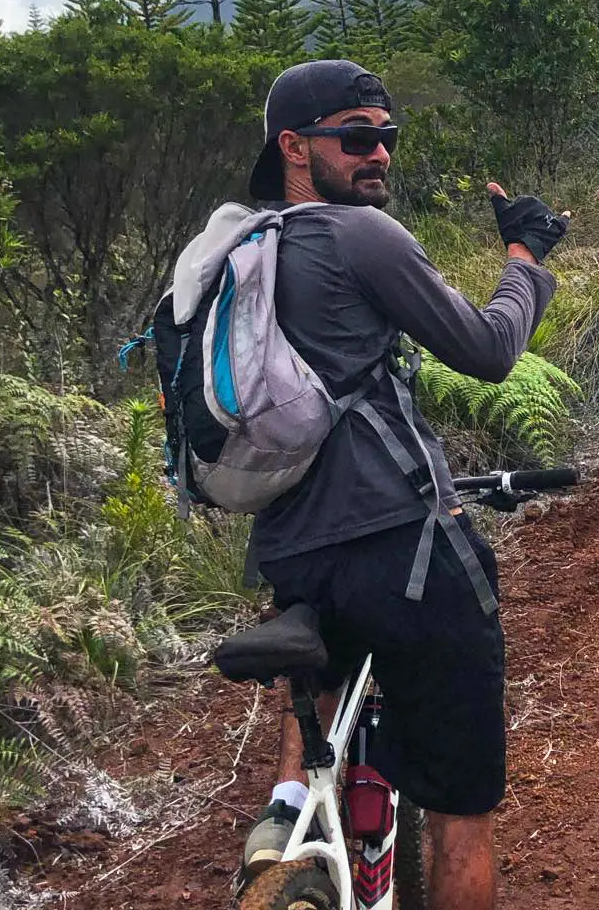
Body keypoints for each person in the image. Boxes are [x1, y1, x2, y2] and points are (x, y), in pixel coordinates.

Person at [237, 59, 569, 909]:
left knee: (318, 698)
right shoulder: (358, 236)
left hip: (290, 549)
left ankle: (288, 823)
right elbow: (492, 351)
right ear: (294, 147)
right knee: (464, 808)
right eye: (356, 138)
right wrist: (525, 256)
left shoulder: (247, 248)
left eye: (387, 137)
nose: (378, 153)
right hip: (405, 546)